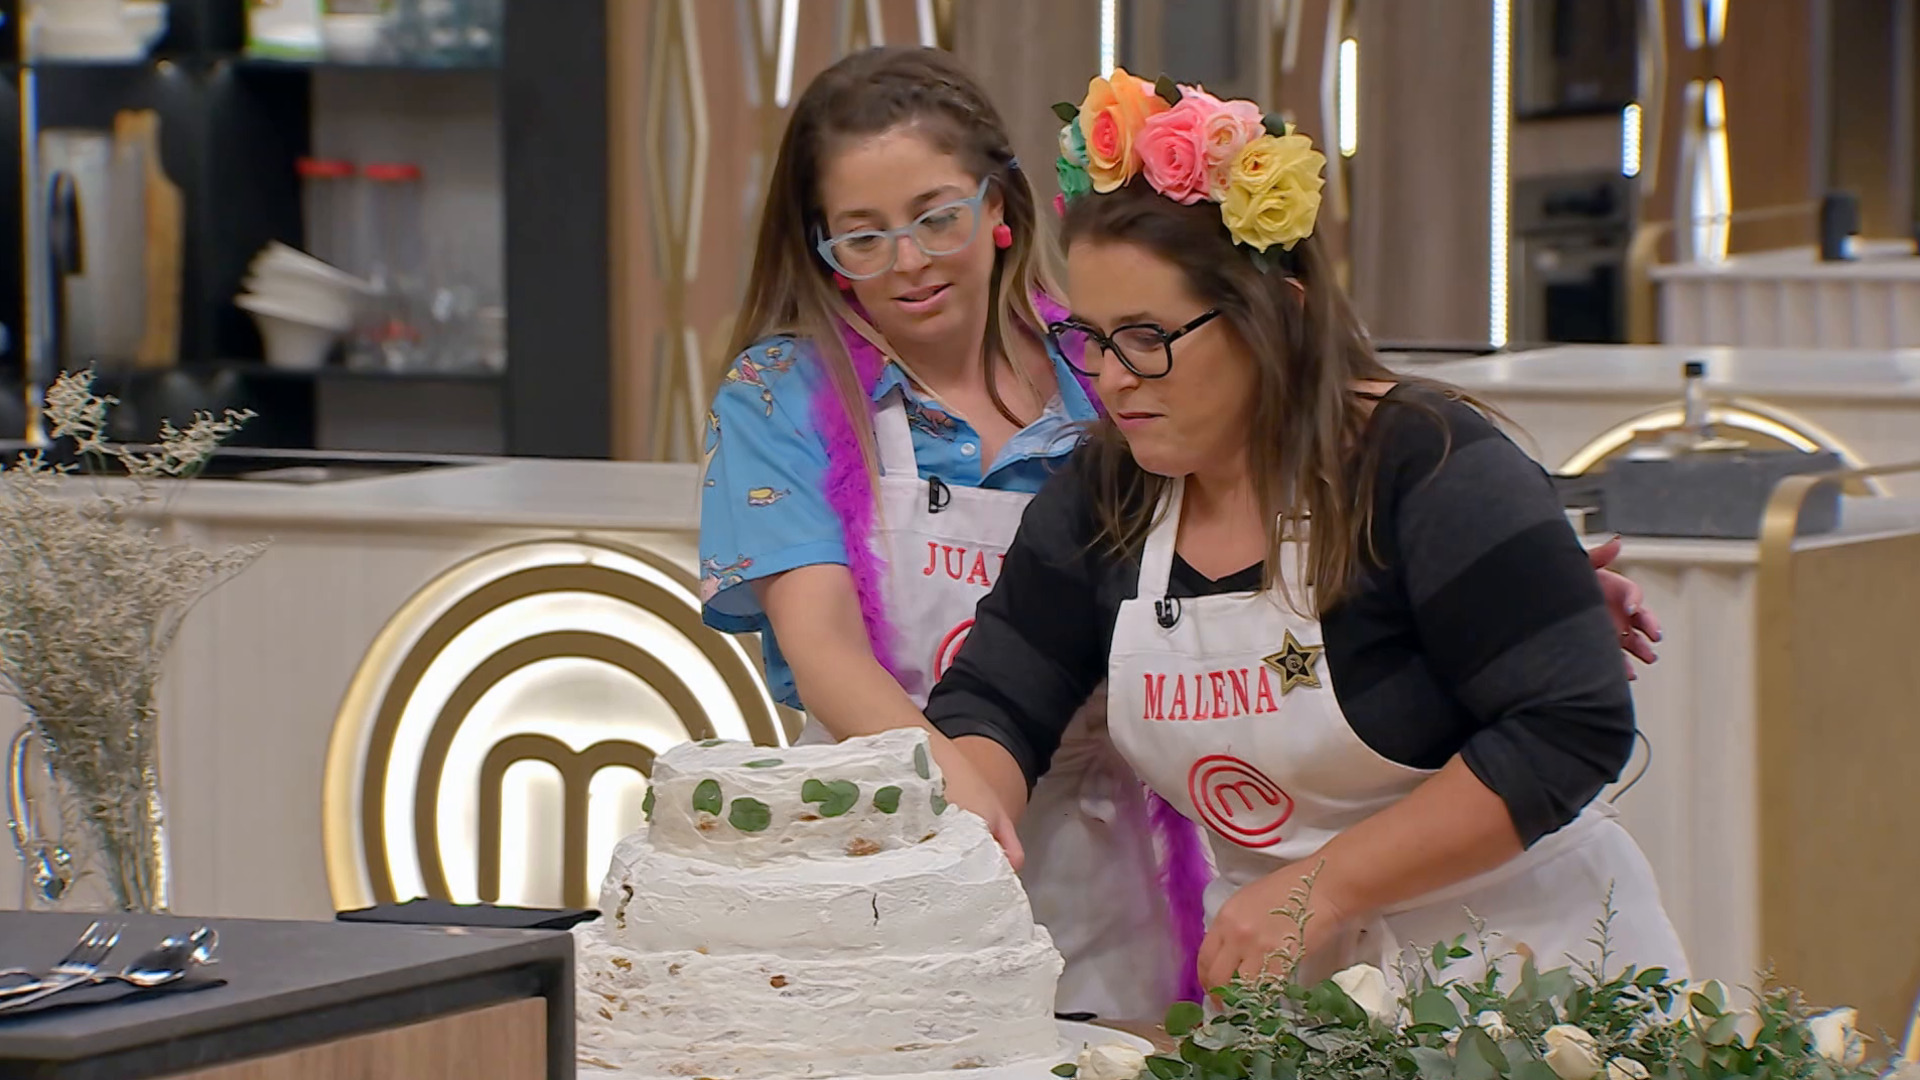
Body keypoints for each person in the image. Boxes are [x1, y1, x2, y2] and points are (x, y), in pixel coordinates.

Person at [699, 48, 1667, 1014]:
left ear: (1273, 317)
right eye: (1094, 341)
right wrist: (962, 808)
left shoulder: (1421, 460)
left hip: (1532, 977)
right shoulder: (1109, 487)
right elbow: (1000, 692)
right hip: (1292, 997)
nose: (1113, 380)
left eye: (1147, 339)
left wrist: (1520, 592)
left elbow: (1568, 725)